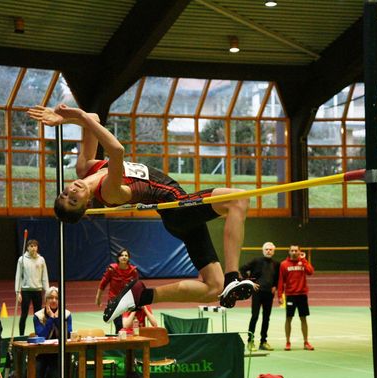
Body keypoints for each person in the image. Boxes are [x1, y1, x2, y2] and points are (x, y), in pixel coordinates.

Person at [27, 104, 254, 323]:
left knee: (214, 288)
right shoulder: (109, 192)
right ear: (86, 205)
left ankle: (143, 295)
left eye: (65, 194)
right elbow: (116, 151)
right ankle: (233, 276)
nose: (71, 191)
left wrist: (64, 118)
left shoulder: (85, 167)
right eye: (73, 200)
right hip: (177, 207)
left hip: (178, 212)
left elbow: (93, 119)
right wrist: (75, 114)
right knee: (237, 199)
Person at [240, 241, 279, 351]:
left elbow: (277, 277)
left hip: (269, 294)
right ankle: (250, 341)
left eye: (270, 249)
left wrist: (275, 286)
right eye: (266, 249)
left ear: (273, 251)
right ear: (263, 250)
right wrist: (249, 282)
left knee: (266, 318)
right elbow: (242, 268)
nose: (268, 251)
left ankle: (263, 342)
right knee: (255, 316)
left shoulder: (276, 264)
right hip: (257, 293)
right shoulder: (256, 261)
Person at [33, 286, 72, 378]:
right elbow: (42, 336)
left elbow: (67, 334)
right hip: (41, 353)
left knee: (55, 374)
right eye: (51, 298)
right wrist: (51, 318)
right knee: (34, 374)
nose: (54, 300)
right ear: (46, 300)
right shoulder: (38, 316)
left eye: (57, 298)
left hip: (59, 354)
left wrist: (56, 318)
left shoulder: (67, 314)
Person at [277, 244, 315, 351]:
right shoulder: (284, 264)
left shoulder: (303, 263)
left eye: (296, 251)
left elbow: (311, 272)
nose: (294, 252)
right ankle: (288, 342)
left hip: (302, 295)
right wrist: (280, 295)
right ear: (289, 252)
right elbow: (281, 281)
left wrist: (304, 261)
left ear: (299, 252)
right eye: (292, 251)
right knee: (288, 319)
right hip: (290, 296)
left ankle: (306, 342)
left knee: (303, 318)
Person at [95, 248, 139, 332]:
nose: (124, 257)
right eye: (122, 255)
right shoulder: (112, 269)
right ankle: (120, 341)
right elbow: (103, 284)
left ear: (129, 258)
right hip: (114, 301)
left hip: (128, 301)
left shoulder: (134, 271)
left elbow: (136, 287)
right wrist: (98, 298)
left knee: (133, 325)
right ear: (118, 257)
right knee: (119, 325)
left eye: (126, 255)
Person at [15, 239, 50, 336]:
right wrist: (17, 292)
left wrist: (47, 293)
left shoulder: (41, 259)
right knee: (24, 315)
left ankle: (39, 334)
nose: (33, 248)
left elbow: (45, 277)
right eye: (31, 246)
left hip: (37, 291)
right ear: (27, 248)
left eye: (35, 246)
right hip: (26, 291)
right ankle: (21, 335)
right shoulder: (21, 259)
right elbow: (18, 276)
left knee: (38, 315)